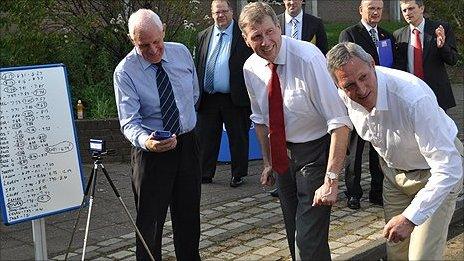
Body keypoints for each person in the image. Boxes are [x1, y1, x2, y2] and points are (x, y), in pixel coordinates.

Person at [326, 42, 463, 261]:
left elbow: (449, 168)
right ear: (338, 85)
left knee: (422, 256)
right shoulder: (344, 93)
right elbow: (340, 126)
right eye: (349, 85)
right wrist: (331, 177)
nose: (360, 90)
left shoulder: (413, 98)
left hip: (437, 174)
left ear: (372, 64)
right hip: (394, 174)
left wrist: (410, 218)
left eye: (363, 77)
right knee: (396, 252)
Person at [239, 2, 351, 259]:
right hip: (281, 157)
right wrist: (268, 161)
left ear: (279, 26)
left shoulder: (309, 57)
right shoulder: (250, 68)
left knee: (307, 241)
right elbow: (260, 119)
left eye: (270, 32)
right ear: (246, 40)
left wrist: (332, 178)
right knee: (294, 233)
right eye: (256, 37)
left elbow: (339, 121)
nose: (266, 42)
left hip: (315, 155)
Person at [113, 9, 201, 260]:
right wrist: (147, 142)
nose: (153, 50)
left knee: (188, 217)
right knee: (150, 223)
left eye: (156, 42)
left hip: (187, 145)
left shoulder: (182, 52)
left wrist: (184, 124)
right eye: (144, 45)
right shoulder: (125, 72)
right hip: (151, 151)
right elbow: (129, 121)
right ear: (132, 40)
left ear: (163, 31)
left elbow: (193, 95)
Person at [269, 0, 329, 198]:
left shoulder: (315, 23)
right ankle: (282, 181)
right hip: (277, 80)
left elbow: (323, 51)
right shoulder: (274, 23)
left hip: (305, 81)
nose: (291, 2)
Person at [338, 0, 393, 209]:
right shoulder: (350, 34)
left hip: (381, 99)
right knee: (356, 148)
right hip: (359, 100)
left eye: (379, 8)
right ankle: (353, 192)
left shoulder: (387, 36)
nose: (376, 12)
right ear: (361, 10)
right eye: (371, 8)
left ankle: (377, 192)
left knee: (379, 148)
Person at [195, 0, 253, 187]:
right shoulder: (203, 35)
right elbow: (199, 65)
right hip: (208, 97)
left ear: (232, 11)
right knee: (206, 137)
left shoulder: (243, 35)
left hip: (235, 97)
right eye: (216, 12)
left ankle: (238, 174)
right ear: (212, 14)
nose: (220, 15)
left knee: (238, 137)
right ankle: (205, 173)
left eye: (224, 11)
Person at [394, 0, 458, 111]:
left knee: (438, 128)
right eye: (404, 10)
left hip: (436, 94)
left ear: (421, 8)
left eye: (411, 8)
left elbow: (453, 60)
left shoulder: (440, 29)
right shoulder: (398, 34)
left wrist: (442, 46)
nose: (407, 13)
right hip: (411, 94)